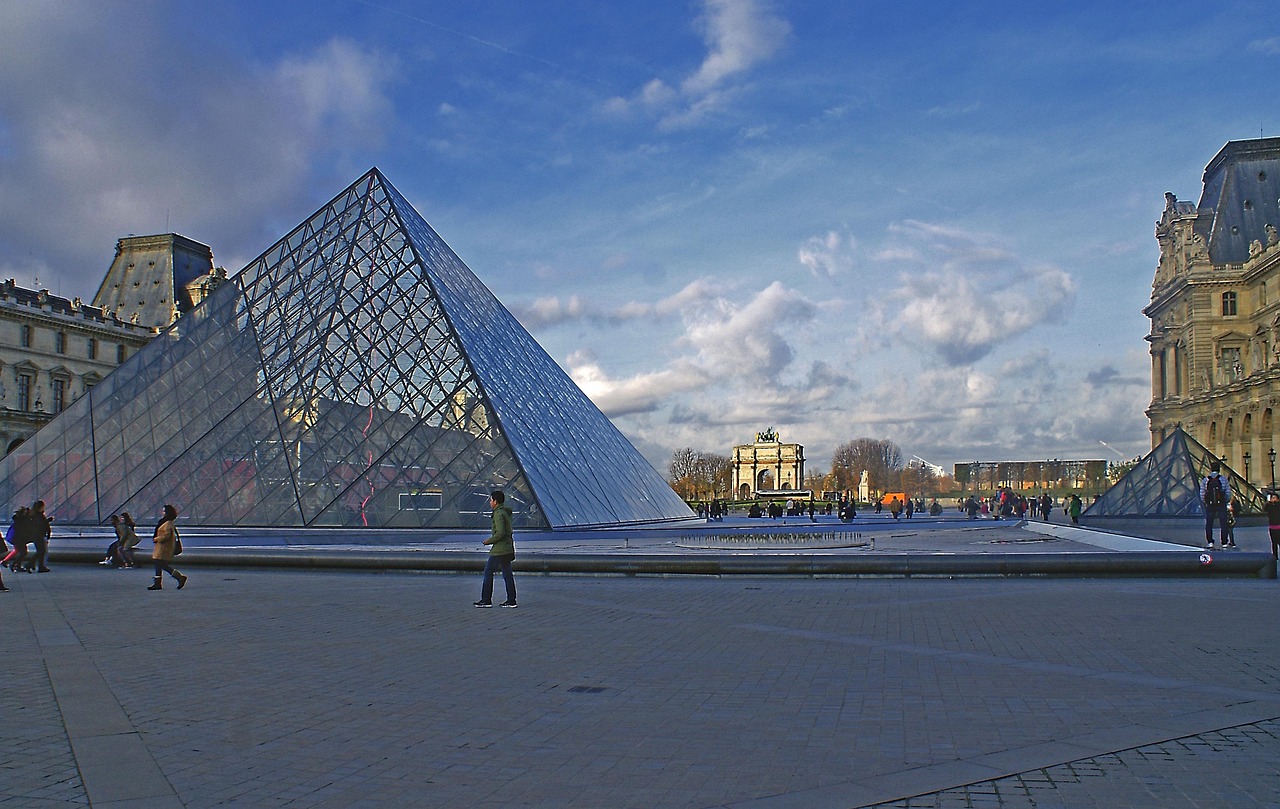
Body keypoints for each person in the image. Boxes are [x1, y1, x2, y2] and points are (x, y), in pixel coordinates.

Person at [474, 490, 516, 608]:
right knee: (507, 574)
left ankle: (486, 599)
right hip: (507, 547)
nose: (490, 502)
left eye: (491, 500)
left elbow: (500, 532)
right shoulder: (505, 512)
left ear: (495, 501)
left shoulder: (498, 513)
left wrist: (488, 541)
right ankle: (511, 600)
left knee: (488, 572)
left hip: (500, 549)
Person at [148, 504, 187, 591]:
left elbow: (166, 535)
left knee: (161, 564)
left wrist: (156, 539)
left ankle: (179, 577)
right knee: (159, 564)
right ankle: (159, 582)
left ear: (167, 512)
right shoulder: (166, 521)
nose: (162, 512)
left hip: (163, 547)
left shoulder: (168, 523)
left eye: (164, 511)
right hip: (161, 547)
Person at [1200, 461, 1232, 549]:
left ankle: (1210, 542)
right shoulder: (1223, 479)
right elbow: (1228, 493)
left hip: (1210, 504)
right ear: (1219, 469)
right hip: (1221, 503)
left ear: (1211, 469)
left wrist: (1205, 502)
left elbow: (1202, 493)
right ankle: (1224, 542)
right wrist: (1226, 501)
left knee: (1209, 523)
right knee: (1223, 523)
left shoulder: (1206, 480)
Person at [27, 500, 51, 573]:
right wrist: (48, 521)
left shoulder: (34, 515)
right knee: (41, 551)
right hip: (39, 535)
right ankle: (35, 565)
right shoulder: (39, 515)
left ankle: (33, 564)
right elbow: (41, 524)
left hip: (36, 535)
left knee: (40, 551)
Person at [1265, 490, 1280, 561]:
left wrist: (1276, 503)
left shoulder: (1278, 505)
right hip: (1272, 527)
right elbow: (1265, 509)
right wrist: (1268, 502)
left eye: (1274, 498)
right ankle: (1275, 556)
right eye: (1272, 498)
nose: (1273, 499)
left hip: (1279, 527)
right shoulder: (1269, 506)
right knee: (1273, 543)